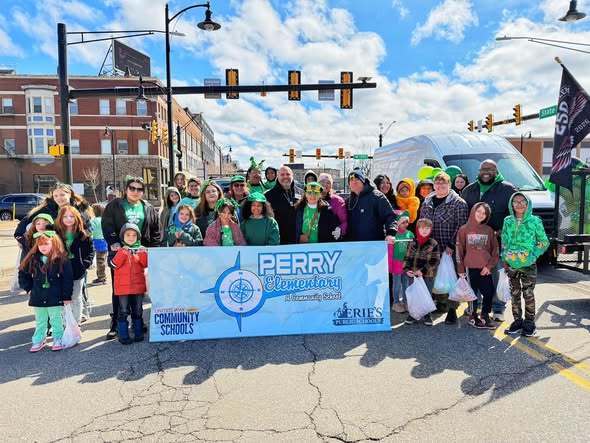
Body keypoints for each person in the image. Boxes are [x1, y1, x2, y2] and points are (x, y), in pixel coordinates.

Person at [102, 176, 161, 340]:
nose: (135, 192)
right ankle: (116, 323)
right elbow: (107, 225)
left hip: (140, 253)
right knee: (120, 289)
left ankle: (138, 321)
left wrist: (154, 249)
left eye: (139, 189)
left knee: (138, 289)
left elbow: (155, 229)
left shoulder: (147, 207)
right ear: (126, 189)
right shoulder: (115, 205)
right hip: (121, 253)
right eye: (132, 188)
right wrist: (114, 242)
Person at [460, 159, 517, 321]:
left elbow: (515, 215)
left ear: (496, 171)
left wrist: (501, 231)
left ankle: (498, 308)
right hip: (474, 244)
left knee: (496, 276)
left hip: (497, 243)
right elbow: (463, 215)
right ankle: (475, 306)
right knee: (475, 275)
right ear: (478, 171)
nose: (486, 172)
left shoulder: (507, 189)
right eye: (483, 169)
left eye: (490, 169)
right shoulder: (469, 190)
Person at [419, 171, 468, 324]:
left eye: (443, 183)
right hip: (430, 248)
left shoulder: (458, 203)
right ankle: (436, 305)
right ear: (434, 185)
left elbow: (462, 226)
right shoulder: (427, 202)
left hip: (449, 248)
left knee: (450, 279)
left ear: (449, 184)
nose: (440, 185)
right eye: (437, 183)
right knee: (430, 278)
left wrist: (452, 244)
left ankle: (452, 309)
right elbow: (421, 223)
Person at [502, 192, 549, 337]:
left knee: (528, 294)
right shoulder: (508, 221)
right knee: (514, 294)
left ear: (528, 204)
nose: (519, 204)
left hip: (528, 264)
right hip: (512, 264)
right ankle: (517, 321)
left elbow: (543, 242)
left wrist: (533, 255)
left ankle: (529, 323)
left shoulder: (535, 221)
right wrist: (505, 258)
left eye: (523, 201)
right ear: (511, 204)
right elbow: (504, 241)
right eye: (515, 201)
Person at [19, 230, 73, 352]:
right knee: (40, 320)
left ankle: (58, 338)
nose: (43, 247)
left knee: (56, 319)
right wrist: (28, 288)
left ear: (54, 243)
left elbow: (67, 280)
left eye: (46, 243)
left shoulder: (61, 259)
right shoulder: (33, 258)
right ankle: (38, 340)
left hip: (54, 295)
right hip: (38, 295)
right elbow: (22, 272)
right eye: (40, 244)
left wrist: (66, 296)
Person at [456, 202, 499, 329]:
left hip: (485, 268)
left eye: (484, 213)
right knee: (472, 294)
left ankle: (485, 315)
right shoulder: (464, 229)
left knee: (489, 292)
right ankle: (473, 315)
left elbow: (495, 250)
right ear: (473, 211)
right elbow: (459, 250)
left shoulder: (489, 230)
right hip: (469, 267)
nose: (481, 214)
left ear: (487, 216)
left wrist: (489, 266)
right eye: (478, 211)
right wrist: (460, 269)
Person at [55, 205, 94, 325]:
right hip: (60, 271)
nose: (68, 219)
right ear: (60, 218)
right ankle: (65, 323)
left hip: (77, 271)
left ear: (77, 217)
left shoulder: (83, 234)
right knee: (62, 298)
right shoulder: (55, 233)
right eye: (65, 216)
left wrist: (85, 264)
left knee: (76, 297)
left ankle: (75, 324)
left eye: (71, 216)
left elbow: (90, 251)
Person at [14, 182, 92, 243]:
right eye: (56, 196)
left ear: (69, 194)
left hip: (74, 245)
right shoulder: (48, 208)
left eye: (62, 195)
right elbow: (27, 219)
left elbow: (88, 228)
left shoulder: (79, 208)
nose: (59, 198)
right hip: (53, 245)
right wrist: (19, 236)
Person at [111, 223, 148, 345]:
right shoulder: (118, 250)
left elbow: (146, 264)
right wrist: (122, 252)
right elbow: (114, 265)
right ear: (123, 236)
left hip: (137, 287)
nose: (131, 237)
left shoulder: (140, 250)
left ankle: (138, 333)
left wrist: (143, 253)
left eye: (134, 235)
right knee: (123, 311)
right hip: (123, 289)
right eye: (128, 235)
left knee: (137, 310)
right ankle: (123, 335)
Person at [403, 218, 440, 326]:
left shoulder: (433, 243)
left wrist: (423, 271)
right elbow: (407, 258)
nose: (424, 230)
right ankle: (413, 314)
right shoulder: (412, 242)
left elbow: (435, 260)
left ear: (431, 230)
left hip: (427, 275)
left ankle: (427, 314)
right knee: (414, 295)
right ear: (417, 229)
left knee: (426, 294)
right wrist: (407, 270)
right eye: (422, 228)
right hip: (413, 275)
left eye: (427, 228)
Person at [345, 168, 397, 242]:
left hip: (374, 245)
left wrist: (391, 233)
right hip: (354, 246)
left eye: (357, 179)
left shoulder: (376, 196)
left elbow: (390, 216)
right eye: (351, 180)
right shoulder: (348, 201)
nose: (354, 182)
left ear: (363, 181)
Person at [265, 165, 300, 245]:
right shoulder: (269, 195)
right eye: (282, 174)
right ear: (278, 176)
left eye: (288, 174)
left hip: (298, 240)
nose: (285, 177)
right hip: (279, 241)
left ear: (292, 176)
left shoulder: (301, 193)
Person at [389, 212, 414, 313]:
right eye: (403, 222)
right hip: (396, 262)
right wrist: (390, 264)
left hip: (406, 263)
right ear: (398, 223)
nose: (405, 224)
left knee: (406, 283)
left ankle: (405, 302)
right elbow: (390, 250)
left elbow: (412, 249)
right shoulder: (393, 234)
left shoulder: (409, 234)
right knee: (396, 284)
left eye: (407, 222)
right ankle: (396, 302)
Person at [319, 173, 348, 237]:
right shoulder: (313, 199)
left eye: (328, 182)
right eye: (322, 182)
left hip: (333, 238)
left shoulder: (338, 201)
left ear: (331, 185)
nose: (325, 184)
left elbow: (345, 221)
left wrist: (340, 230)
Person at [90, 203, 108, 285]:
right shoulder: (105, 219)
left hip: (97, 242)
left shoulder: (93, 220)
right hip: (105, 241)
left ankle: (101, 278)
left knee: (100, 260)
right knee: (102, 260)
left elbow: (91, 231)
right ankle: (102, 277)